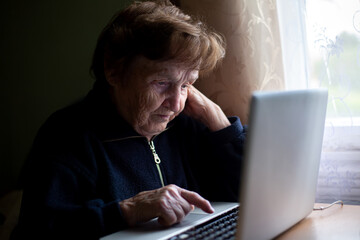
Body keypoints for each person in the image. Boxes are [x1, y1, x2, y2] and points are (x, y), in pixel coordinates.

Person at [13, 0, 247, 239]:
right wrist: (128, 211)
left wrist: (221, 125)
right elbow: (40, 229)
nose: (176, 103)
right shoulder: (67, 134)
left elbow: (254, 194)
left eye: (187, 84)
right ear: (113, 71)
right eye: (161, 82)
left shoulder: (186, 124)